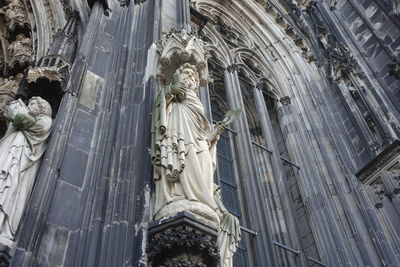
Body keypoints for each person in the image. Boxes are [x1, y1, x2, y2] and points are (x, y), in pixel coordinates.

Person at [151, 63, 225, 223]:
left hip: (198, 139)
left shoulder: (196, 100)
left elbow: (202, 133)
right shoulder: (174, 96)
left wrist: (212, 136)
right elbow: (161, 106)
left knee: (205, 158)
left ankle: (203, 201)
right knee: (184, 159)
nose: (190, 77)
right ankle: (179, 195)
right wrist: (171, 91)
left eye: (193, 75)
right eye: (187, 74)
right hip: (180, 134)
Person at [0, 97, 52, 248]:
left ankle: (3, 226)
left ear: (43, 108)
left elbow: (36, 126)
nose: (30, 105)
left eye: (34, 103)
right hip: (8, 153)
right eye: (29, 103)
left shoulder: (45, 120)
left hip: (20, 161)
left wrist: (16, 114)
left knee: (9, 189)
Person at [214, 184, 241, 267]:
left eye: (219, 193)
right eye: (217, 193)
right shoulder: (214, 198)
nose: (219, 196)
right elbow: (225, 213)